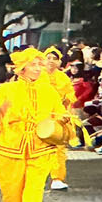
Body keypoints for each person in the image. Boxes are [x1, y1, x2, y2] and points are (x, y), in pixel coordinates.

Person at [0, 48, 69, 202]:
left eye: (40, 65)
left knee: (34, 194)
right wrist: (0, 114)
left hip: (41, 148)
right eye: (33, 65)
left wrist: (62, 120)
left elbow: (59, 113)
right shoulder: (8, 90)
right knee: (12, 193)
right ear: (22, 68)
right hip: (10, 147)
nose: (38, 68)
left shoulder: (49, 91)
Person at [43, 47, 75, 191]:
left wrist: (66, 114)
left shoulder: (63, 78)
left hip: (57, 117)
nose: (51, 61)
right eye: (48, 57)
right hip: (39, 117)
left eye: (54, 59)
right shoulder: (36, 75)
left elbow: (70, 97)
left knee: (59, 148)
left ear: (59, 62)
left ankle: (57, 178)